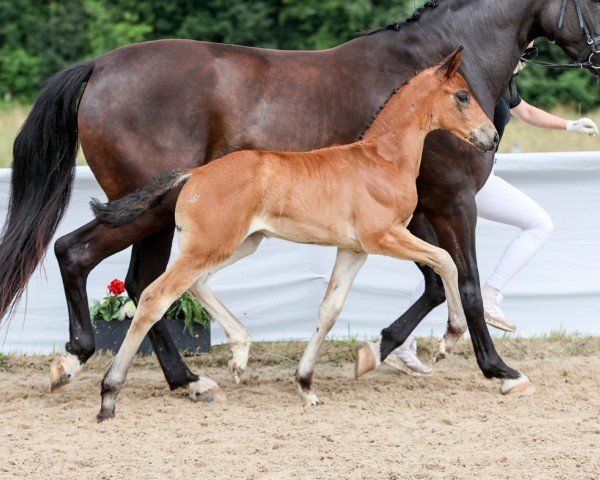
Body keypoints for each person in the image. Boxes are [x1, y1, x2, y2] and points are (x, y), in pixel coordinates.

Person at [385, 43, 598, 375]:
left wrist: (569, 126)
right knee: (527, 228)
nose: (526, 57)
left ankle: (413, 335)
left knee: (461, 256)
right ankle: (488, 296)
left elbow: (525, 112)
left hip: (482, 178)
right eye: (524, 51)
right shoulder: (477, 84)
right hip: (465, 182)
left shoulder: (504, 84)